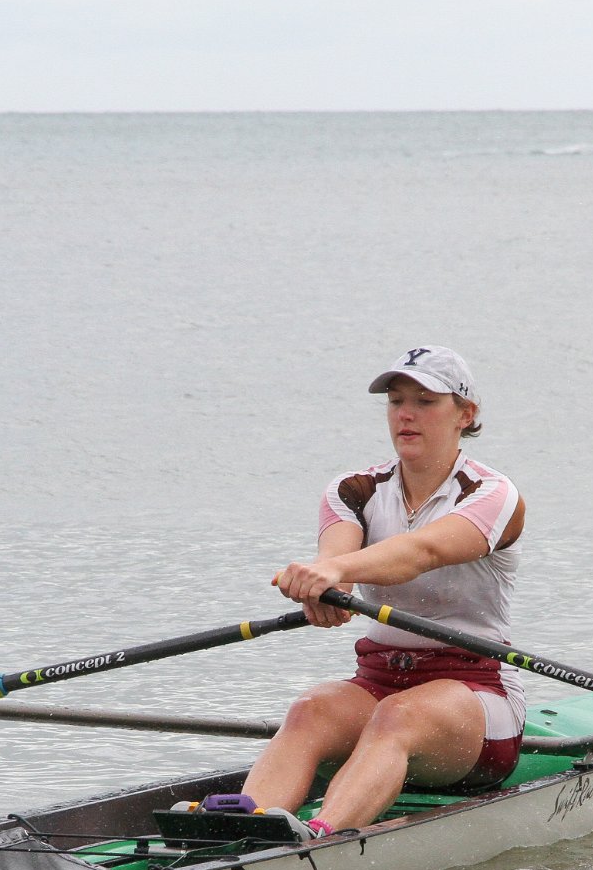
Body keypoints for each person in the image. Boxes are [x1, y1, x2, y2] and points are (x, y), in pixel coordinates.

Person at [216, 346, 526, 840]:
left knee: (397, 716)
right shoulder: (353, 489)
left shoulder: (493, 495)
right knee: (310, 709)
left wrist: (334, 568)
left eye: (425, 401)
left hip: (474, 697)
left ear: (466, 415)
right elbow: (339, 571)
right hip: (380, 681)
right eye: (396, 400)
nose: (405, 413)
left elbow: (421, 552)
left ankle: (319, 837)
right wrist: (326, 590)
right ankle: (240, 829)